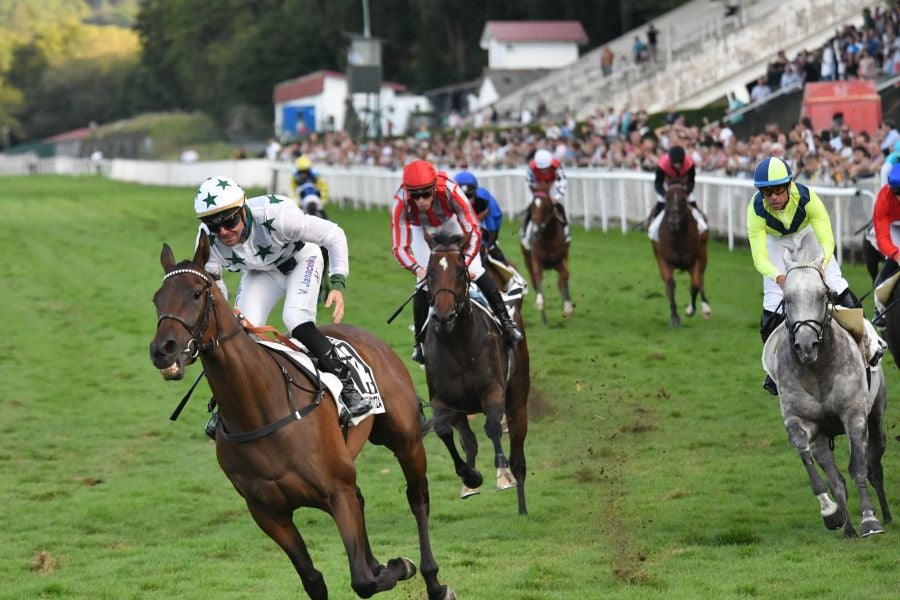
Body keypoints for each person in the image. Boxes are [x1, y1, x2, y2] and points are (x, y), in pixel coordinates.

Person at [193, 175, 367, 431]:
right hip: (260, 272)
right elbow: (216, 287)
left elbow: (334, 234)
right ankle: (229, 404)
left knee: (295, 319)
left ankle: (348, 387)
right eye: (213, 225)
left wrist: (338, 282)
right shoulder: (206, 239)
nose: (223, 232)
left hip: (301, 260)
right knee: (241, 333)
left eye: (229, 222)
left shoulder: (277, 215)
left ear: (243, 209)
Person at [746, 157, 881, 395]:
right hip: (776, 244)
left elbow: (827, 240)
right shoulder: (755, 209)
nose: (774, 197)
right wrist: (779, 277)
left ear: (789, 185)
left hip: (810, 238)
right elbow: (759, 258)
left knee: (840, 290)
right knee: (770, 313)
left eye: (778, 190)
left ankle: (871, 344)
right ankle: (774, 371)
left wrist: (822, 266)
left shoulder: (808, 199)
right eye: (767, 192)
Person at [390, 160, 522, 364]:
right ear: (408, 193)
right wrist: (418, 269)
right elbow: (399, 247)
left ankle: (506, 323)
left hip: (453, 222)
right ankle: (419, 343)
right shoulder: (400, 203)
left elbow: (474, 230)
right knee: (423, 283)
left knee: (476, 270)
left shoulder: (450, 190)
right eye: (415, 196)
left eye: (426, 193)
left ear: (435, 188)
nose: (422, 200)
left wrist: (465, 264)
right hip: (421, 228)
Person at [646, 145, 707, 239]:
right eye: (675, 163)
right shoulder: (662, 164)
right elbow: (658, 184)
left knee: (693, 206)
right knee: (659, 206)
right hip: (667, 187)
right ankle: (652, 228)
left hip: (683, 186)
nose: (677, 165)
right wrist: (664, 194)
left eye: (680, 163)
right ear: (670, 160)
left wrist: (686, 193)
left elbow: (691, 182)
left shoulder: (689, 163)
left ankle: (701, 226)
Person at [453, 170, 510, 265]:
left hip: (488, 225)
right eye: (462, 196)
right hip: (469, 225)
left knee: (490, 248)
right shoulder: (450, 202)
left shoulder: (485, 202)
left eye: (469, 196)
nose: (466, 201)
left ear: (475, 193)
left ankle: (510, 273)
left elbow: (492, 231)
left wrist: (488, 246)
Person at [871, 163, 900, 326]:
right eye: (898, 193)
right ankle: (879, 310)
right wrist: (896, 255)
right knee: (886, 271)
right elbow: (882, 238)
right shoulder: (883, 198)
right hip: (893, 228)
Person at [522, 148, 570, 244]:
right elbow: (529, 182)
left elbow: (563, 181)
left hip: (552, 185)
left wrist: (556, 197)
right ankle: (524, 232)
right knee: (532, 207)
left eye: (546, 168)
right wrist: (539, 193)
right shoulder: (531, 167)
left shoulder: (557, 166)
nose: (544, 171)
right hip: (537, 186)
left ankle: (566, 231)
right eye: (541, 169)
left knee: (559, 207)